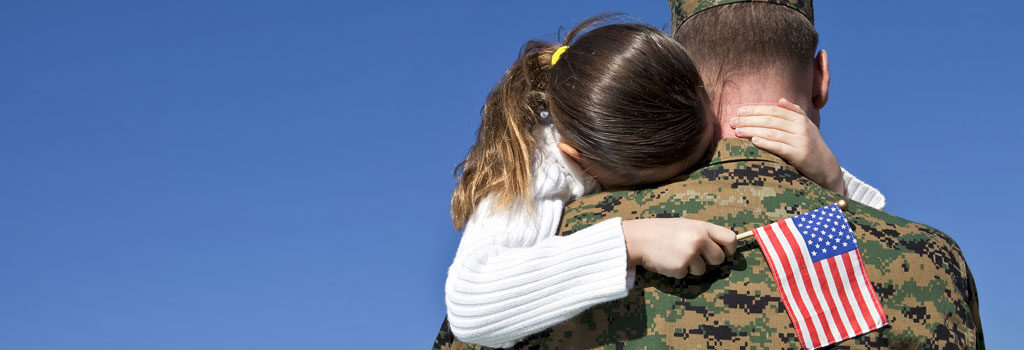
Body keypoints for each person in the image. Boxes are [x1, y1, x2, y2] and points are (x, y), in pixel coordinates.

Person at [434, 1, 983, 349]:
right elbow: (472, 303)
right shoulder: (931, 261)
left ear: (683, 78)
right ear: (821, 77)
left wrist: (836, 184)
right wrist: (628, 240)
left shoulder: (562, 229)